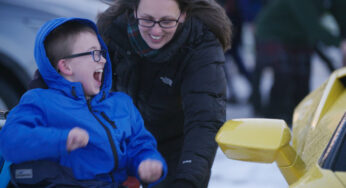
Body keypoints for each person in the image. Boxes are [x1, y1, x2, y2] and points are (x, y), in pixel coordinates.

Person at [0, 17, 167, 187]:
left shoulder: (121, 104)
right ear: (66, 67)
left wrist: (148, 161)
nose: (103, 59)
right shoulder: (41, 101)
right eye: (94, 53)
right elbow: (11, 141)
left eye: (102, 52)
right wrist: (61, 139)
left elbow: (140, 144)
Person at [96, 0, 232, 187]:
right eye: (147, 19)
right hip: (119, 139)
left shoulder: (201, 42)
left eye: (167, 21)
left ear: (183, 14)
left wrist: (188, 179)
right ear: (134, 11)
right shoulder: (112, 31)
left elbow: (205, 118)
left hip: (174, 143)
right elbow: (69, 76)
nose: (156, 31)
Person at [251, 0, 346, 125]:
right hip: (273, 32)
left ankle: (298, 117)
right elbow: (311, 26)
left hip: (299, 36)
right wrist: (340, 43)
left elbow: (342, 17)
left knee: (302, 80)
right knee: (284, 77)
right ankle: (273, 118)